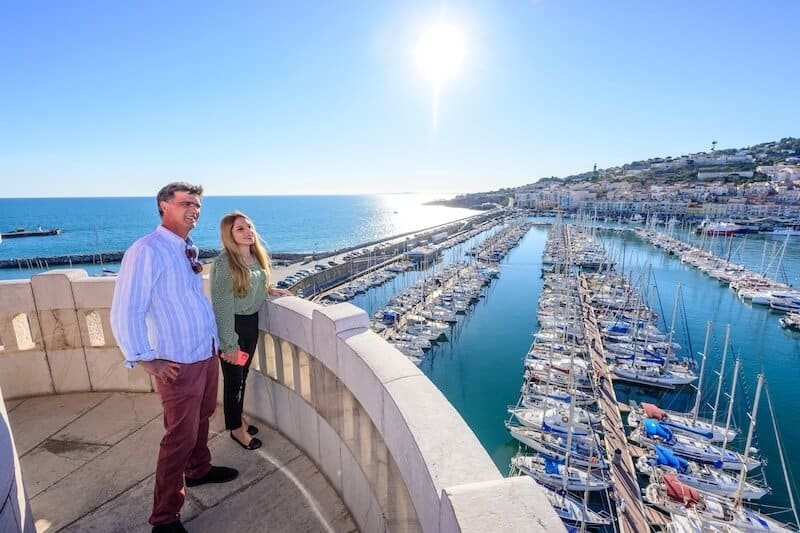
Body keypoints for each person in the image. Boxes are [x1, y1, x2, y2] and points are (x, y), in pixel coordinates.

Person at [111, 182, 238, 533]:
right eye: (186, 203)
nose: (194, 210)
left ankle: (198, 470)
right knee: (178, 436)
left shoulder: (184, 247)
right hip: (177, 361)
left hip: (204, 351)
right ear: (164, 206)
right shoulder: (146, 250)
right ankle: (164, 518)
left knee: (203, 416)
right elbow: (126, 309)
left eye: (197, 204)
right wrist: (143, 358)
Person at [211, 211, 291, 450]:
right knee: (234, 380)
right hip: (233, 326)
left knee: (242, 377)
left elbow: (254, 283)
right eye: (240, 229)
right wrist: (229, 344)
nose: (248, 232)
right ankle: (236, 429)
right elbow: (222, 305)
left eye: (249, 227)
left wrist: (269, 289)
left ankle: (238, 418)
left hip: (250, 323)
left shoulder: (256, 258)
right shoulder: (224, 263)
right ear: (229, 234)